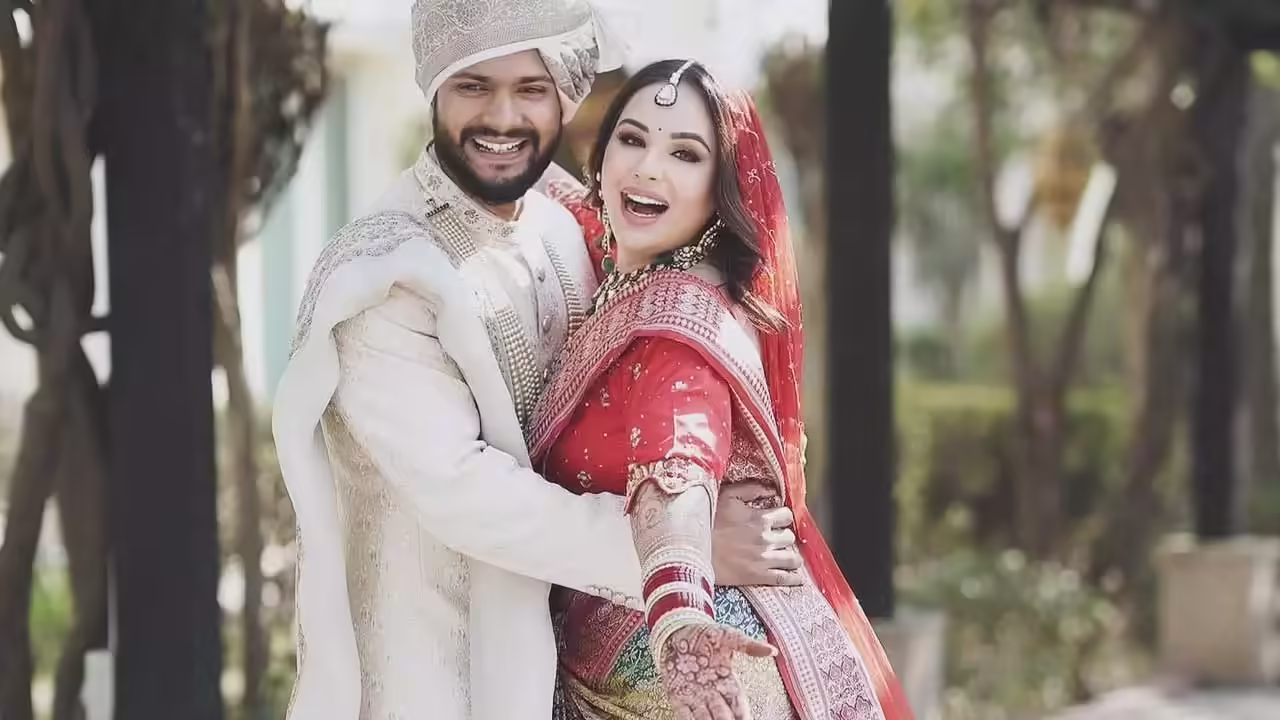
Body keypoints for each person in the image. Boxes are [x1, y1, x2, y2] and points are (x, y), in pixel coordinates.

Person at [272, 2, 804, 720]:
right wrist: (677, 557)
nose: (502, 117)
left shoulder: (562, 226)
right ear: (434, 90)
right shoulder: (387, 271)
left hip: (568, 673)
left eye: (530, 89)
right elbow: (467, 496)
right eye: (473, 86)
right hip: (434, 674)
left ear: (566, 96)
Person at [528, 60, 915, 720]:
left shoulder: (679, 328)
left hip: (686, 672)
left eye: (685, 154)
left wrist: (681, 619)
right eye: (632, 139)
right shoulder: (625, 262)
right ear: (601, 157)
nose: (649, 168)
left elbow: (678, 467)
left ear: (720, 191)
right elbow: (557, 194)